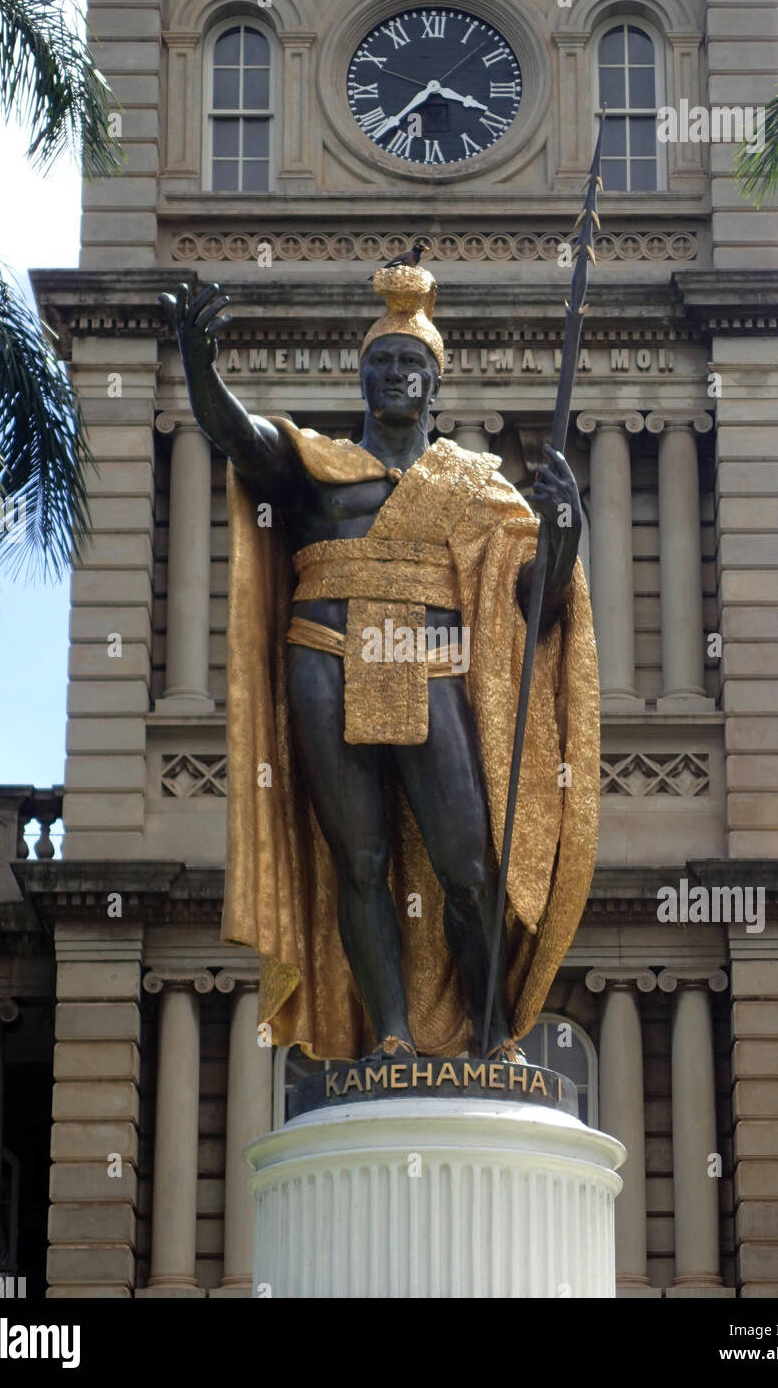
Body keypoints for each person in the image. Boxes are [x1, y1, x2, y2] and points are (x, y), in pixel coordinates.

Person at [161, 265, 599, 1062]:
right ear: (362, 380)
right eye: (383, 364)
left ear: (434, 385)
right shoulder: (317, 464)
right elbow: (238, 437)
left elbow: (536, 602)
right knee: (357, 860)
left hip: (430, 665)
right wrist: (199, 368)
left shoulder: (473, 484)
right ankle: (389, 1035)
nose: (396, 375)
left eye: (411, 366)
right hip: (323, 658)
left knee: (468, 866)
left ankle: (492, 1034)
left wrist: (564, 525)